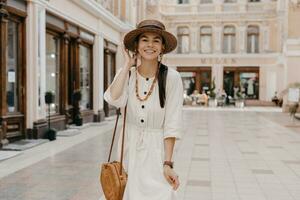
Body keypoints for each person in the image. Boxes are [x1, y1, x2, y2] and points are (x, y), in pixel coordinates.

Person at [101, 19, 183, 200]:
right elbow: (114, 99)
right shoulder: (127, 75)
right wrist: (126, 65)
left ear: (162, 47)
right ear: (136, 46)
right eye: (144, 40)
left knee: (160, 193)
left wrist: (168, 163)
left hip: (156, 151)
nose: (150, 45)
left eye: (156, 40)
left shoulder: (172, 78)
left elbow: (172, 122)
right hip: (128, 149)